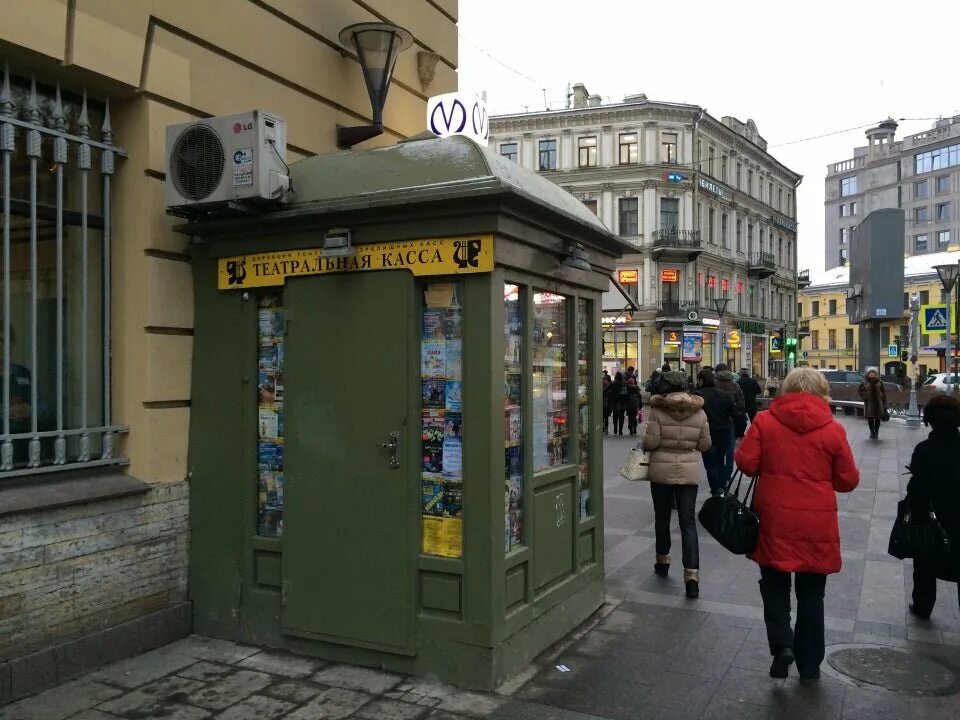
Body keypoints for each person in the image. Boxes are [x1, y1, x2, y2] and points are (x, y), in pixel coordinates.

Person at [734, 368, 859, 682]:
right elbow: (847, 481)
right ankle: (810, 664)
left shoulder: (765, 421)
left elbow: (746, 465)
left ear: (786, 390)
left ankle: (782, 645)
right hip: (817, 524)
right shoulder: (833, 429)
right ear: (822, 392)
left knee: (774, 584)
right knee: (812, 594)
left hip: (774, 519)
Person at [641, 370, 711, 598]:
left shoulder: (658, 411)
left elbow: (651, 442)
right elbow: (704, 445)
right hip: (688, 471)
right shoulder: (699, 413)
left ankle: (662, 561)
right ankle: (692, 576)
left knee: (662, 516)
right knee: (688, 522)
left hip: (661, 470)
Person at [905, 394, 960, 619]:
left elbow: (917, 488)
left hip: (931, 517)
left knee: (925, 561)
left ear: (930, 419)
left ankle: (923, 605)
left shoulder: (924, 449)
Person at [695, 368, 738, 495]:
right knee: (719, 461)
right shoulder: (724, 395)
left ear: (701, 380)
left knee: (710, 464)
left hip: (707, 433)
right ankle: (722, 487)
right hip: (724, 432)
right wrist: (739, 431)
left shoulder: (698, 396)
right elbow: (737, 414)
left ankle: (717, 490)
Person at [858, 367, 887, 439]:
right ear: (868, 374)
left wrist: (884, 401)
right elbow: (860, 391)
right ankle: (871, 432)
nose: (871, 374)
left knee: (878, 418)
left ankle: (876, 432)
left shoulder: (879, 381)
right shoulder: (864, 382)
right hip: (869, 403)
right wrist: (866, 397)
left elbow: (883, 392)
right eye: (870, 373)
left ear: (875, 374)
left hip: (878, 403)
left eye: (873, 373)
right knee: (870, 418)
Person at [610, 371, 628, 436]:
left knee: (615, 416)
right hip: (622, 402)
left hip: (615, 402)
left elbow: (607, 390)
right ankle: (620, 430)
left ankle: (615, 429)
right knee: (621, 416)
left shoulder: (612, 383)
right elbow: (629, 392)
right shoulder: (624, 383)